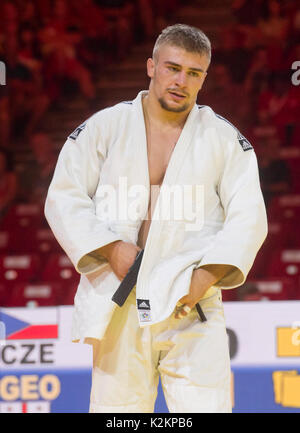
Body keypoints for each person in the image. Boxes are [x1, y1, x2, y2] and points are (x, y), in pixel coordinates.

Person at [45, 24, 268, 413]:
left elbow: (249, 216)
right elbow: (63, 197)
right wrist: (111, 249)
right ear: (151, 66)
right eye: (172, 68)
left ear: (204, 79)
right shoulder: (105, 127)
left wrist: (205, 277)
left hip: (192, 302)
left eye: (194, 73)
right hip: (120, 298)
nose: (181, 81)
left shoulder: (222, 140)